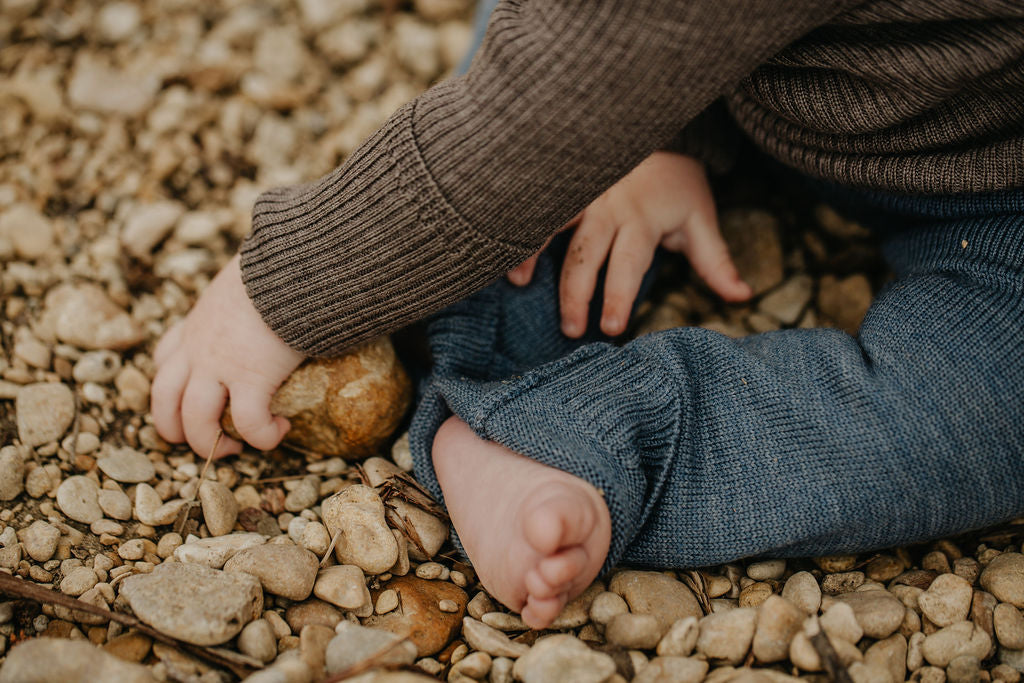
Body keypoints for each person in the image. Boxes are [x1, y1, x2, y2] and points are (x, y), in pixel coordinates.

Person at [152, 0, 1024, 629]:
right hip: (682, 66)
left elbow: (559, 91)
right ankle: (488, 384)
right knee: (546, 148)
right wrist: (667, 132)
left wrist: (283, 290)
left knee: (979, 396)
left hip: (991, 170)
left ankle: (588, 434)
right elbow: (558, 76)